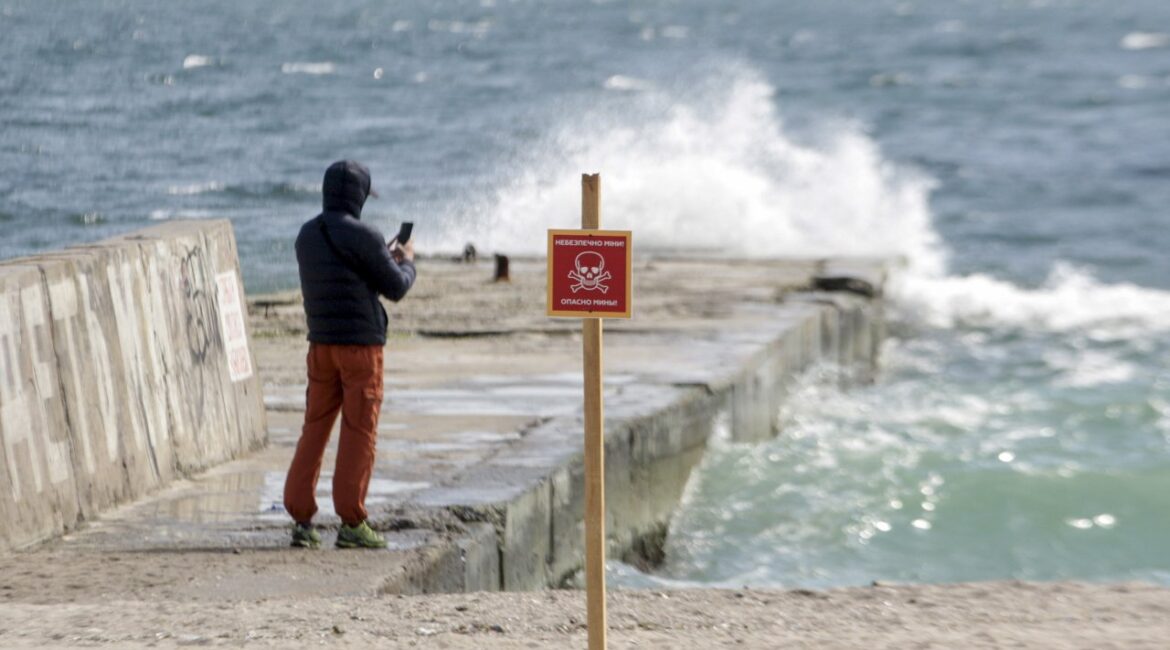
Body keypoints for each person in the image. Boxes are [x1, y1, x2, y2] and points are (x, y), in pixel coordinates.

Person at [283, 160, 416, 549]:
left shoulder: (307, 234)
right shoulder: (365, 235)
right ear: (359, 196)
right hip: (361, 349)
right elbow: (396, 288)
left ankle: (301, 520)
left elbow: (340, 279)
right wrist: (407, 261)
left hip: (320, 346)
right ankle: (352, 521)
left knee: (314, 428)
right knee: (359, 430)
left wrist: (379, 257)